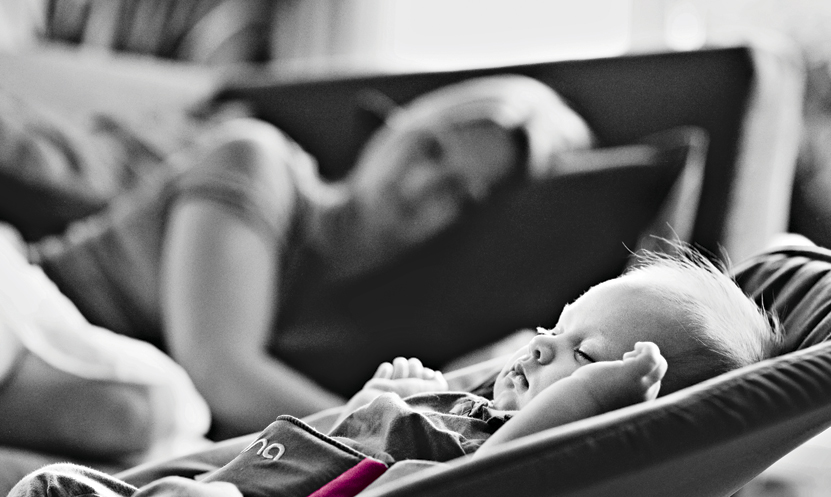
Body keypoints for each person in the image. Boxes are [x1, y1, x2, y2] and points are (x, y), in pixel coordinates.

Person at [0, 249, 783, 497]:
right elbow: (338, 448)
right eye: (557, 324)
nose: (543, 345)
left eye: (583, 352)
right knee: (58, 490)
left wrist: (597, 398)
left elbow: (502, 465)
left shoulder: (497, 463)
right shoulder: (459, 409)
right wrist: (383, 401)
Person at [0, 74, 595, 458]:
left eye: (457, 194)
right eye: (430, 148)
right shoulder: (258, 161)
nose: (420, 186)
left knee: (140, 428)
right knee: (137, 412)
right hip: (24, 304)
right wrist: (386, 426)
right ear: (395, 122)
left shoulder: (368, 320)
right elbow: (219, 369)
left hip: (85, 392)